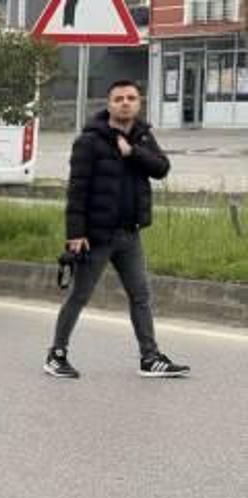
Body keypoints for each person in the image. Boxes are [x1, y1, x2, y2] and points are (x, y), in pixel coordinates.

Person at [44, 79, 189, 380]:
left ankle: (149, 358)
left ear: (139, 103)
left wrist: (132, 152)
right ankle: (56, 355)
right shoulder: (89, 141)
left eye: (131, 98)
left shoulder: (142, 137)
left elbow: (162, 168)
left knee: (141, 296)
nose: (125, 102)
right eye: (119, 98)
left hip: (129, 234)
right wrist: (75, 234)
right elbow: (77, 190)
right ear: (108, 104)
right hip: (96, 235)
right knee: (79, 296)